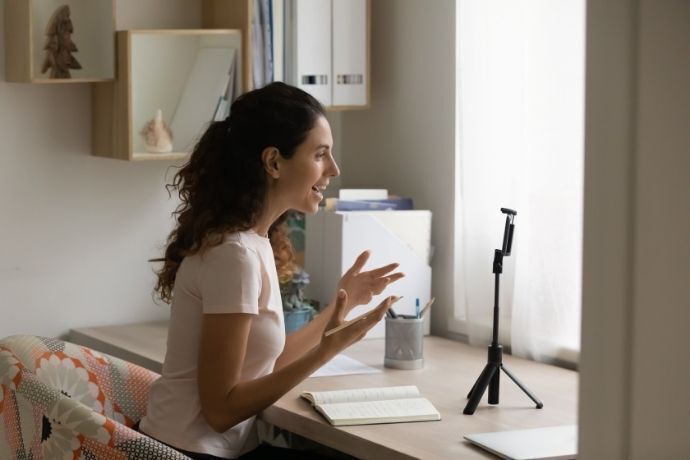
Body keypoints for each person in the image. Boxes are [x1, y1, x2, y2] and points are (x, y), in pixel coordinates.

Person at [139, 82, 404, 459]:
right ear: (274, 162)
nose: (334, 169)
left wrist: (339, 308)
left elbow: (267, 363)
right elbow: (220, 411)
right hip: (186, 452)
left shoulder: (251, 242)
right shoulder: (234, 255)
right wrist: (326, 351)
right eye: (320, 155)